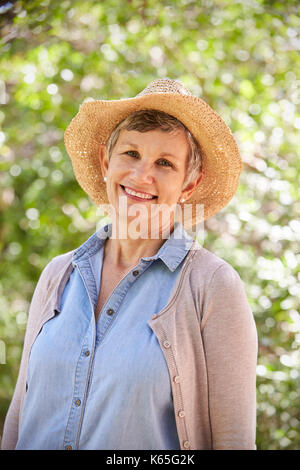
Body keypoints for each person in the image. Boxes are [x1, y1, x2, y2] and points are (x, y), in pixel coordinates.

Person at [1, 78, 257, 450]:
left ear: (189, 184)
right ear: (107, 161)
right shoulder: (59, 274)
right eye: (131, 154)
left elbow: (234, 442)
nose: (141, 176)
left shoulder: (212, 286)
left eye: (165, 163)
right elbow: (19, 416)